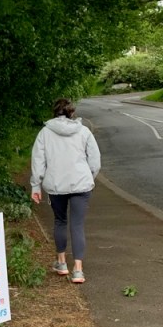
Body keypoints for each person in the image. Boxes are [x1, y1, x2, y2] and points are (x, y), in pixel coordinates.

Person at [30, 98, 101, 284]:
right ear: (72, 113)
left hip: (56, 186)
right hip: (81, 184)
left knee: (60, 221)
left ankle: (61, 263)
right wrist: (89, 177)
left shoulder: (45, 133)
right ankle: (78, 270)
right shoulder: (84, 131)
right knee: (77, 225)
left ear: (54, 113)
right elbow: (95, 160)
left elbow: (38, 161)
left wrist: (36, 185)